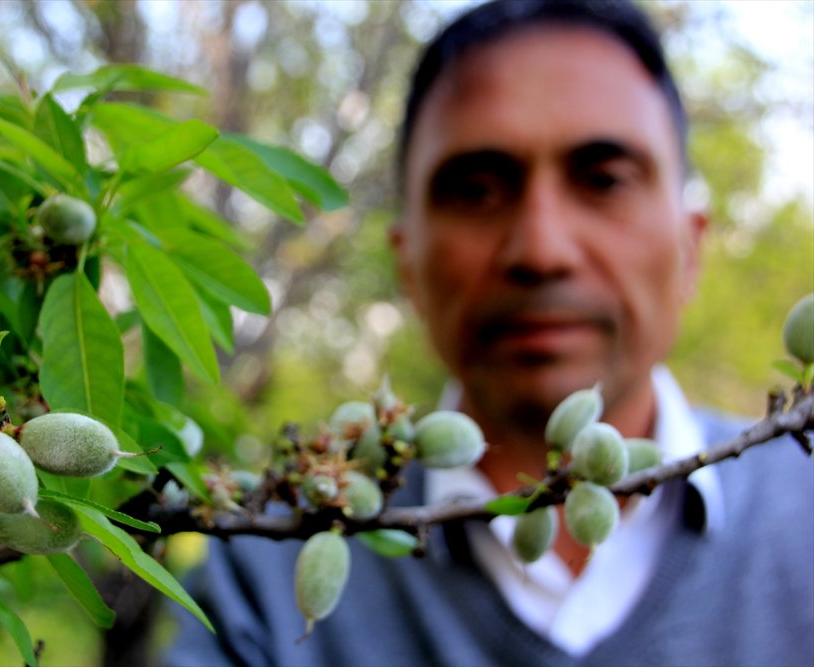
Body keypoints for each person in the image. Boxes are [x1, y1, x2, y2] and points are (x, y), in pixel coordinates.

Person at [164, 1, 813, 666]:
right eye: (476, 189)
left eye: (604, 179)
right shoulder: (270, 557)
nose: (542, 248)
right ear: (405, 259)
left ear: (691, 247)